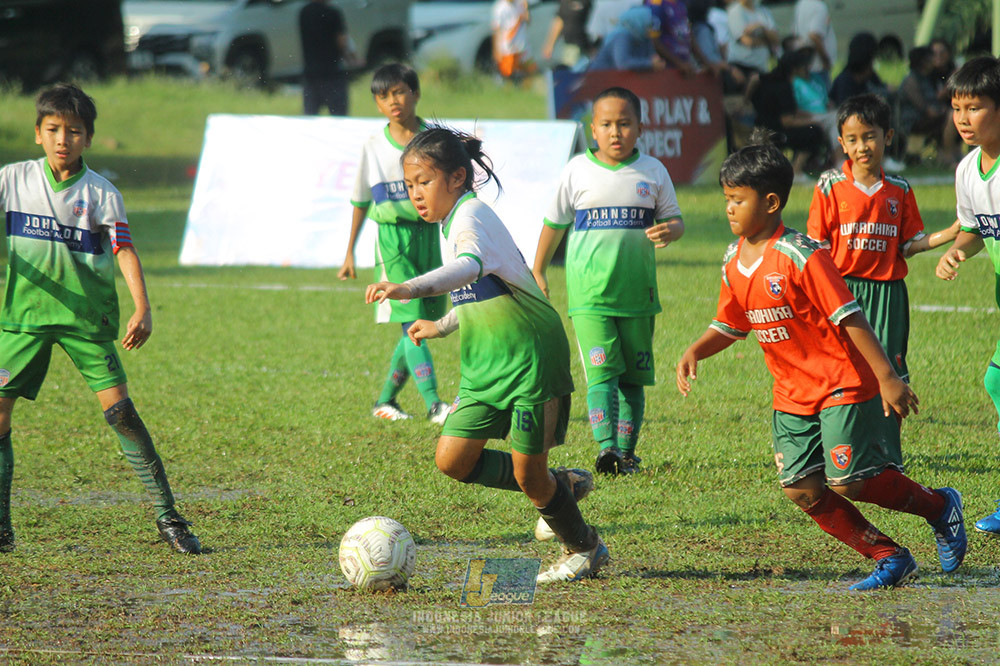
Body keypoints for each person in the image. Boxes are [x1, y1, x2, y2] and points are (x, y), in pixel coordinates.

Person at [676, 129, 967, 590]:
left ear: (771, 203)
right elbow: (732, 322)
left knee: (849, 481)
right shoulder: (733, 259)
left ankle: (939, 506)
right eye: (725, 198)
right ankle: (888, 554)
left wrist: (887, 377)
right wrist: (696, 348)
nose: (728, 208)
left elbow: (850, 316)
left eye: (737, 199)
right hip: (791, 393)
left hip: (841, 381)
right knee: (802, 488)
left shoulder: (802, 255)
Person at [365, 126, 609, 583]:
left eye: (425, 182)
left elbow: (469, 268)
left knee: (529, 475)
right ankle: (565, 486)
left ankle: (584, 548)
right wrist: (441, 325)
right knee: (452, 459)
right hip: (485, 363)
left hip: (528, 355)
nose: (416, 193)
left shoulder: (469, 215)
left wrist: (410, 288)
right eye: (410, 184)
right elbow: (480, 290)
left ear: (457, 177)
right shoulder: (452, 219)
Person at [0, 84, 201, 554]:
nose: (62, 139)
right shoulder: (13, 179)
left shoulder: (101, 193)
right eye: (53, 130)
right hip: (23, 320)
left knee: (122, 413)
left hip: (86, 320)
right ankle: (2, 530)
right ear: (37, 134)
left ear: (88, 138)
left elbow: (123, 250)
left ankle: (169, 518)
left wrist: (143, 307)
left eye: (73, 131)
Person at [533, 87, 684, 475]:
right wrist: (539, 269)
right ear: (593, 129)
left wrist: (669, 230)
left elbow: (675, 219)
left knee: (633, 379)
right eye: (606, 124)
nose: (615, 132)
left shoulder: (653, 171)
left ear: (639, 128)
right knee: (601, 373)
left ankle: (628, 453)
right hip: (590, 296)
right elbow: (554, 223)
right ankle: (607, 449)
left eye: (624, 123)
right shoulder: (576, 171)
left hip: (638, 297)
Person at [807, 93, 959, 384]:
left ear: (887, 136)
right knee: (843, 368)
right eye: (852, 139)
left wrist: (951, 233)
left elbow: (909, 244)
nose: (862, 147)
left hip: (889, 294)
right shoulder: (829, 185)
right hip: (844, 290)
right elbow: (818, 248)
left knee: (891, 370)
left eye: (869, 137)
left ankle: (888, 425)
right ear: (841, 143)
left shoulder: (899, 188)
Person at [339, 64, 450, 424]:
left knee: (418, 324)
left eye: (400, 91)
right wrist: (349, 252)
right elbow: (360, 200)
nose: (393, 101)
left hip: (430, 238)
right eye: (384, 96)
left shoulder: (434, 141)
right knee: (412, 322)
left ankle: (385, 400)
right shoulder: (373, 146)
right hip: (393, 243)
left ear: (416, 94)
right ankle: (435, 405)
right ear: (376, 103)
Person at [935, 56, 1000, 535]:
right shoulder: (965, 172)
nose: (962, 118)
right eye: (957, 107)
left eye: (974, 107)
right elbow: (976, 229)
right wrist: (956, 251)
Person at [750, 47, 828, 180]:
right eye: (803, 66)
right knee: (814, 132)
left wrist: (745, 102)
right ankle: (796, 170)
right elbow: (786, 120)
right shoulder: (784, 87)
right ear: (795, 68)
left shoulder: (766, 79)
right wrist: (814, 121)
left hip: (759, 126)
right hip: (775, 132)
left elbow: (754, 80)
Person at [299, 0, 354, 116]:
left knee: (309, 118)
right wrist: (350, 59)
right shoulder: (333, 13)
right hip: (332, 73)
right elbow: (341, 41)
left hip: (310, 73)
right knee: (340, 118)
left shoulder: (304, 12)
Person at [588, 6, 663, 72]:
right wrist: (649, 63)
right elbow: (622, 64)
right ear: (639, 22)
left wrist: (656, 62)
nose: (650, 29)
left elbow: (652, 56)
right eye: (648, 25)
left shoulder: (643, 36)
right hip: (600, 80)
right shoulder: (622, 35)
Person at [726, 0, 778, 80]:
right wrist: (768, 40)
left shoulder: (763, 11)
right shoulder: (735, 11)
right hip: (744, 67)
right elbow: (747, 41)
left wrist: (761, 28)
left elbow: (776, 39)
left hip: (764, 66)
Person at [791, 0, 835, 90]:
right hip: (818, 67)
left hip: (806, 67)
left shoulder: (801, 4)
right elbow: (814, 35)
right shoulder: (819, 7)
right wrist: (826, 60)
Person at [645, 0, 695, 75]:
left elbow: (688, 33)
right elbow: (652, 39)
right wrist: (679, 63)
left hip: (684, 66)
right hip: (665, 68)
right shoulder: (655, 4)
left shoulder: (681, 3)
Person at [542, 0, 593, 69]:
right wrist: (550, 45)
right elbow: (559, 22)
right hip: (571, 46)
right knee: (569, 72)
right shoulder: (565, 2)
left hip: (587, 46)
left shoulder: (588, 2)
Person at [492, 0, 535, 82]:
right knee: (508, 75)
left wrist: (526, 9)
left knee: (530, 72)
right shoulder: (500, 7)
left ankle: (525, 91)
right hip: (508, 49)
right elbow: (496, 30)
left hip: (523, 47)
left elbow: (528, 20)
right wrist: (496, 50)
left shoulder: (521, 4)